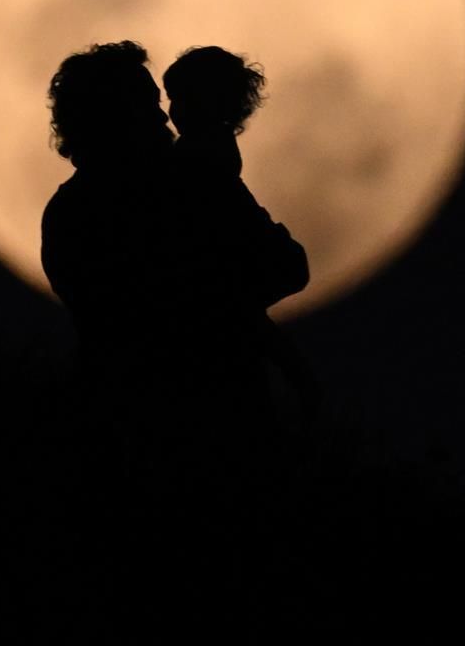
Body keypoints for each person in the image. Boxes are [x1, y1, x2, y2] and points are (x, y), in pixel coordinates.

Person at [39, 41, 306, 439]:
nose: (164, 116)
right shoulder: (180, 190)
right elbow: (281, 268)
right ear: (113, 117)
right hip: (197, 422)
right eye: (148, 105)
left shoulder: (69, 211)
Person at [161, 46, 318, 427]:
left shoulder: (202, 171)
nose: (173, 111)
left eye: (185, 98)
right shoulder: (202, 173)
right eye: (173, 99)